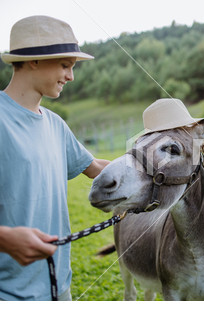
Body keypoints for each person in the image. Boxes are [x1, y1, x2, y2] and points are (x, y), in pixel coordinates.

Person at [0, 15, 109, 301]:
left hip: (59, 286)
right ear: (34, 60)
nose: (71, 76)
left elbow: (96, 168)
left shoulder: (55, 124)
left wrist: (149, 168)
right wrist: (5, 239)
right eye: (65, 65)